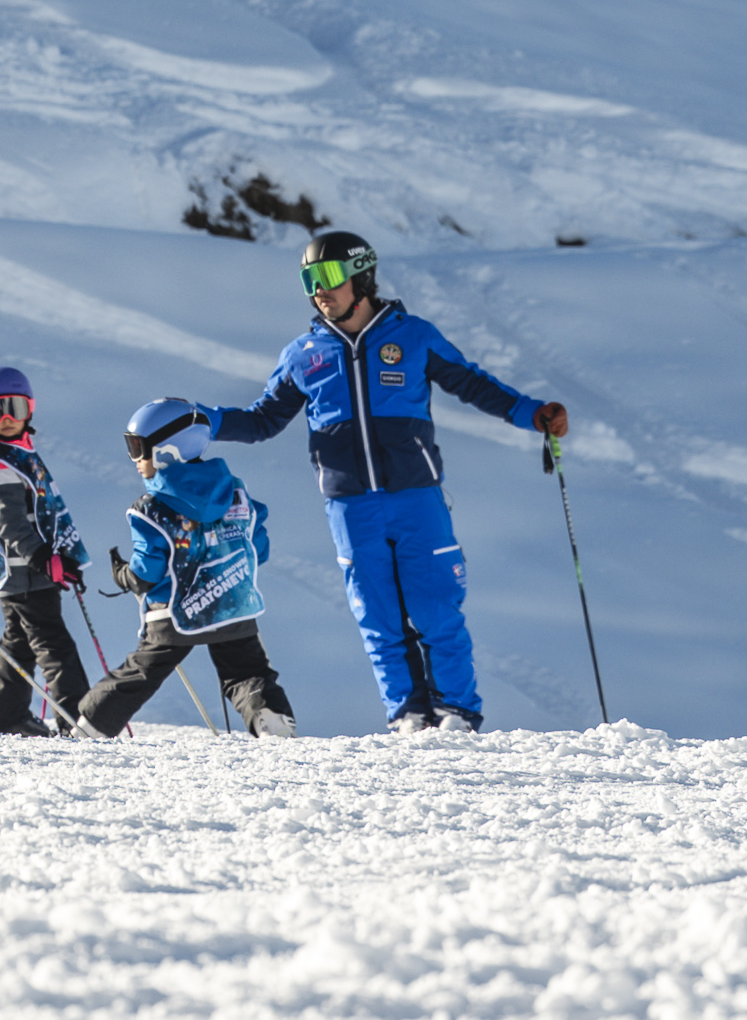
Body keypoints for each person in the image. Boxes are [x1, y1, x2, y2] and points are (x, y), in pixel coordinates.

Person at [179, 228, 567, 733]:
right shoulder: (304, 354)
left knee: (435, 609)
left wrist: (532, 414)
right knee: (378, 618)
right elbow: (263, 420)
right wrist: (205, 420)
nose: (319, 289)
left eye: (329, 276)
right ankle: (409, 716)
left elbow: (471, 383)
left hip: (415, 497)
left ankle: (457, 714)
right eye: (309, 279)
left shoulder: (412, 335)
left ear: (361, 276)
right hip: (350, 506)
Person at [75, 399, 295, 737]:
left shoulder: (151, 509)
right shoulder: (236, 493)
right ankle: (270, 717)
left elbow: (147, 572)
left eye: (138, 447)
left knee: (142, 671)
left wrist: (124, 575)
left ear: (167, 450)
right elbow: (257, 548)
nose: (134, 459)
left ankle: (90, 726)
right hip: (233, 607)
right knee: (247, 670)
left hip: (175, 614)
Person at [0, 364, 93, 734]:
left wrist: (60, 556)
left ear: (29, 410)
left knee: (20, 641)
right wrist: (42, 558)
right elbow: (10, 524)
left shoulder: (14, 451)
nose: (6, 419)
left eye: (14, 409)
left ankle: (5, 717)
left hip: (23, 568)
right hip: (23, 569)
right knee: (53, 642)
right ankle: (77, 720)